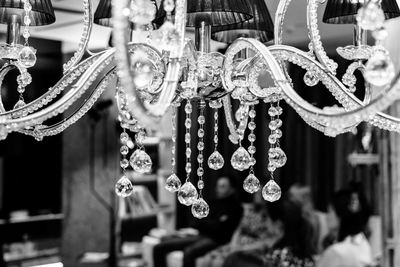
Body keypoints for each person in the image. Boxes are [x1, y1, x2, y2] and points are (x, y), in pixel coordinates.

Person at [153, 176, 243, 267]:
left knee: (189, 252)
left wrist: (208, 224)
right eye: (218, 186)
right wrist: (212, 223)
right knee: (160, 247)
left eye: (223, 186)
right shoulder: (213, 203)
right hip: (200, 235)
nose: (218, 189)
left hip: (216, 240)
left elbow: (221, 230)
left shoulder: (236, 208)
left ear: (232, 189)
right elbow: (198, 222)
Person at [317, 186, 373, 267]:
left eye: (330, 211)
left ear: (340, 214)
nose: (327, 216)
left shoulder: (336, 253)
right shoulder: (364, 244)